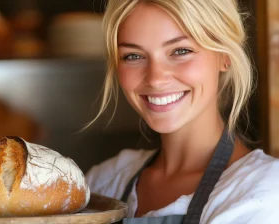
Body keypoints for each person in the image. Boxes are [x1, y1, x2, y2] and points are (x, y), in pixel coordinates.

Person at [85, 0, 279, 223]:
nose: (156, 79)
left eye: (181, 51)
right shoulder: (105, 181)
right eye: (134, 56)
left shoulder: (261, 192)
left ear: (225, 56)